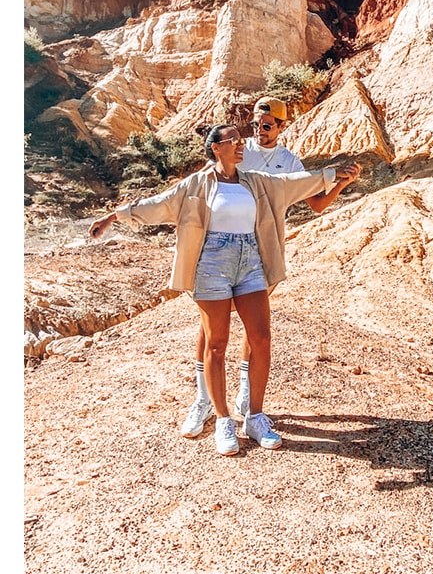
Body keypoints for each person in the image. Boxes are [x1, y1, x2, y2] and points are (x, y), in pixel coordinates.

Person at [89, 124, 360, 456]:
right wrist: (113, 217)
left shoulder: (256, 181)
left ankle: (255, 417)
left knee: (261, 338)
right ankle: (222, 420)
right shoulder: (196, 185)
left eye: (241, 140)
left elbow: (295, 184)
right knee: (216, 344)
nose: (241, 144)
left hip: (250, 261)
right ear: (216, 148)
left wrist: (333, 174)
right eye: (234, 140)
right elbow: (157, 204)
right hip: (211, 264)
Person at [184, 97, 361, 437]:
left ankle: (248, 400)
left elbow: (317, 204)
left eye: (268, 126)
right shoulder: (238, 149)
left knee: (256, 327)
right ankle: (203, 399)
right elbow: (204, 182)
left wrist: (340, 183)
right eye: (256, 124)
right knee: (209, 328)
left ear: (282, 127)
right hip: (221, 249)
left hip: (263, 251)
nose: (260, 131)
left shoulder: (288, 162)